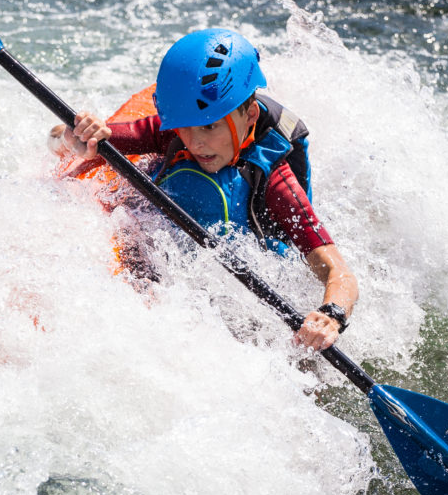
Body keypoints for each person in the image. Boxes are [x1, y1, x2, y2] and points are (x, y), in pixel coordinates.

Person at [48, 28, 358, 351]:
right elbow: (102, 138)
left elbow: (339, 272)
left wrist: (331, 315)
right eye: (185, 125)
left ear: (249, 116)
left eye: (210, 126)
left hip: (231, 290)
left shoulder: (275, 180)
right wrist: (79, 135)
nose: (195, 142)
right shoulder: (174, 131)